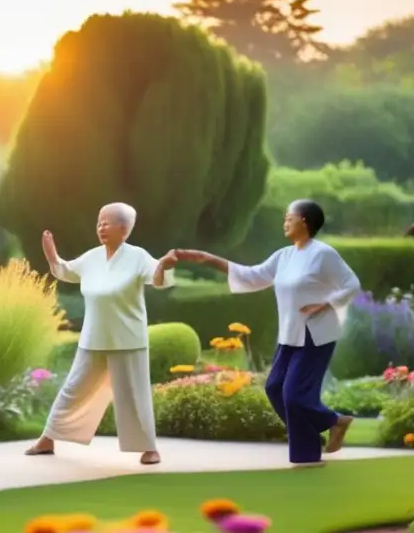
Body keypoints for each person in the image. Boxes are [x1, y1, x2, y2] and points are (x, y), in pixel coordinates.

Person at [176, 199, 360, 467]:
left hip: (316, 334)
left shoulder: (324, 254)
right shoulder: (283, 256)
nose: (284, 222)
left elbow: (351, 284)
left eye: (289, 217)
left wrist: (326, 303)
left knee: (295, 395)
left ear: (305, 221)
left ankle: (329, 430)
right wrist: (209, 260)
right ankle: (319, 437)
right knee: (274, 388)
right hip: (289, 334)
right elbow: (252, 276)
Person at [25, 202, 178, 466]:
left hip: (128, 338)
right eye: (99, 222)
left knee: (134, 395)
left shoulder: (137, 256)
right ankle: (48, 438)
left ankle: (149, 448)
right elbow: (65, 271)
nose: (101, 227)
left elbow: (159, 278)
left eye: (107, 222)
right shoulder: (92, 257)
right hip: (93, 338)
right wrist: (52, 256)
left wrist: (163, 265)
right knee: (73, 388)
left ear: (124, 229)